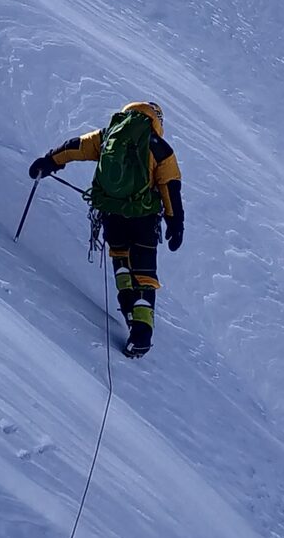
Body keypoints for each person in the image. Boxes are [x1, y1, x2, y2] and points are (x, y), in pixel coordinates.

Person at [29, 99, 184, 356]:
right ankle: (142, 334)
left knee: (121, 260)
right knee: (144, 272)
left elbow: (75, 147)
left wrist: (48, 162)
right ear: (157, 120)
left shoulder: (109, 135)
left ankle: (129, 313)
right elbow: (170, 186)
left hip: (112, 213)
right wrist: (175, 223)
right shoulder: (159, 148)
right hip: (144, 219)